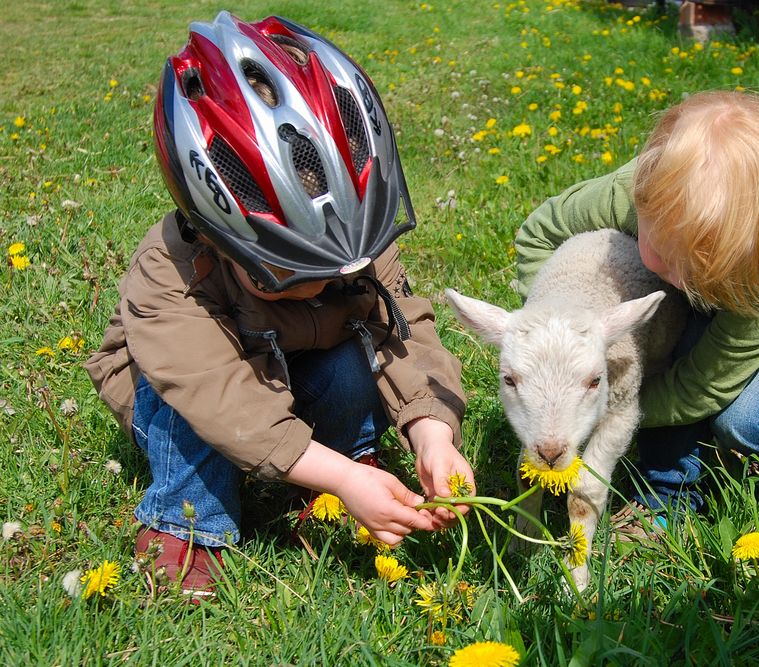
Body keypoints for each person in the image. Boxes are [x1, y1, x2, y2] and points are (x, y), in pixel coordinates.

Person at [85, 11, 475, 598]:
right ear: (214, 233)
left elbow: (403, 335)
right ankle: (186, 522)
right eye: (288, 275)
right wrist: (340, 477)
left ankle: (332, 475)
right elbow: (217, 398)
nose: (317, 288)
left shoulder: (354, 241)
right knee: (192, 414)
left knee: (352, 366)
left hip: (293, 367)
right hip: (190, 395)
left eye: (331, 271)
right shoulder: (171, 270)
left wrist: (431, 434)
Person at [514, 90, 759, 531]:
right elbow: (539, 234)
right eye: (669, 256)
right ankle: (668, 498)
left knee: (746, 418)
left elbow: (705, 385)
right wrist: (549, 327)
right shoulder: (630, 192)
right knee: (659, 352)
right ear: (643, 201)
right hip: (744, 283)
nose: (680, 281)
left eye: (703, 269)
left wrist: (612, 407)